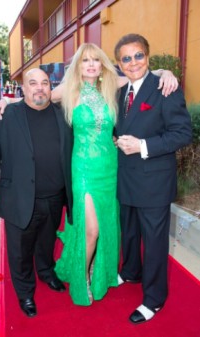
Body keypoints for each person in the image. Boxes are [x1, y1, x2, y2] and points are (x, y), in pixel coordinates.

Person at [0, 44, 178, 307]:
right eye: (85, 60)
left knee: (107, 225)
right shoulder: (69, 90)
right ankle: (83, 278)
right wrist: (7, 100)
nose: (90, 64)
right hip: (83, 170)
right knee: (91, 229)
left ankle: (98, 270)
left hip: (111, 168)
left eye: (96, 60)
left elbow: (142, 73)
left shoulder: (113, 85)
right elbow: (37, 97)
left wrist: (166, 72)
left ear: (102, 66)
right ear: (78, 65)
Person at [0, 68, 73, 317]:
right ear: (24, 88)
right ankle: (25, 292)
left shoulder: (63, 115)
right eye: (33, 83)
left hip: (54, 197)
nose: (39, 87)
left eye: (44, 83)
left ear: (50, 88)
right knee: (20, 250)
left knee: (46, 242)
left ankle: (46, 272)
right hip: (19, 197)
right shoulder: (7, 115)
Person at [114, 34, 192, 324]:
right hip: (127, 178)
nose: (133, 62)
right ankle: (130, 271)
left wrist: (143, 146)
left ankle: (154, 299)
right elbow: (124, 125)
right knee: (130, 232)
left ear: (147, 56)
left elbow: (182, 134)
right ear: (119, 64)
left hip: (154, 182)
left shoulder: (165, 88)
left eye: (138, 56)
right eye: (126, 58)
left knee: (155, 242)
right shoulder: (121, 92)